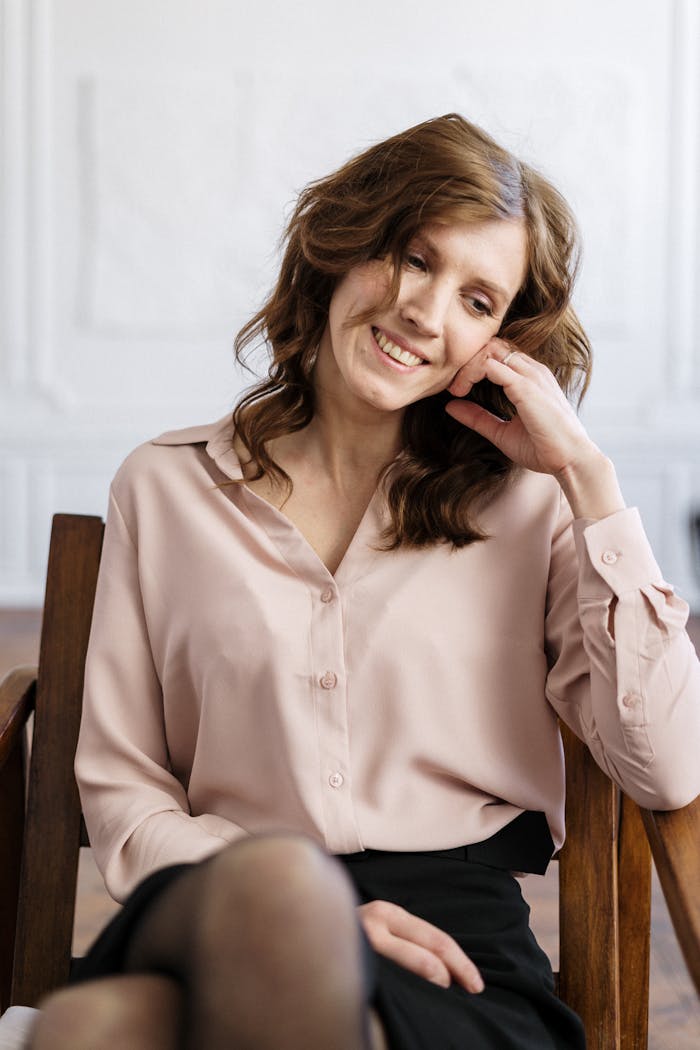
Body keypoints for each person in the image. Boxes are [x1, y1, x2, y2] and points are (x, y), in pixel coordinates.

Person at [29, 113, 700, 1050]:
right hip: (216, 900)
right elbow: (125, 785)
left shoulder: (535, 509)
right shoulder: (165, 487)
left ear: (506, 342)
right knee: (270, 906)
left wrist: (589, 480)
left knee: (100, 1034)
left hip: (447, 944)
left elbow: (666, 765)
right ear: (344, 247)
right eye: (415, 258)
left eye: (478, 300)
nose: (427, 313)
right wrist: (300, 911)